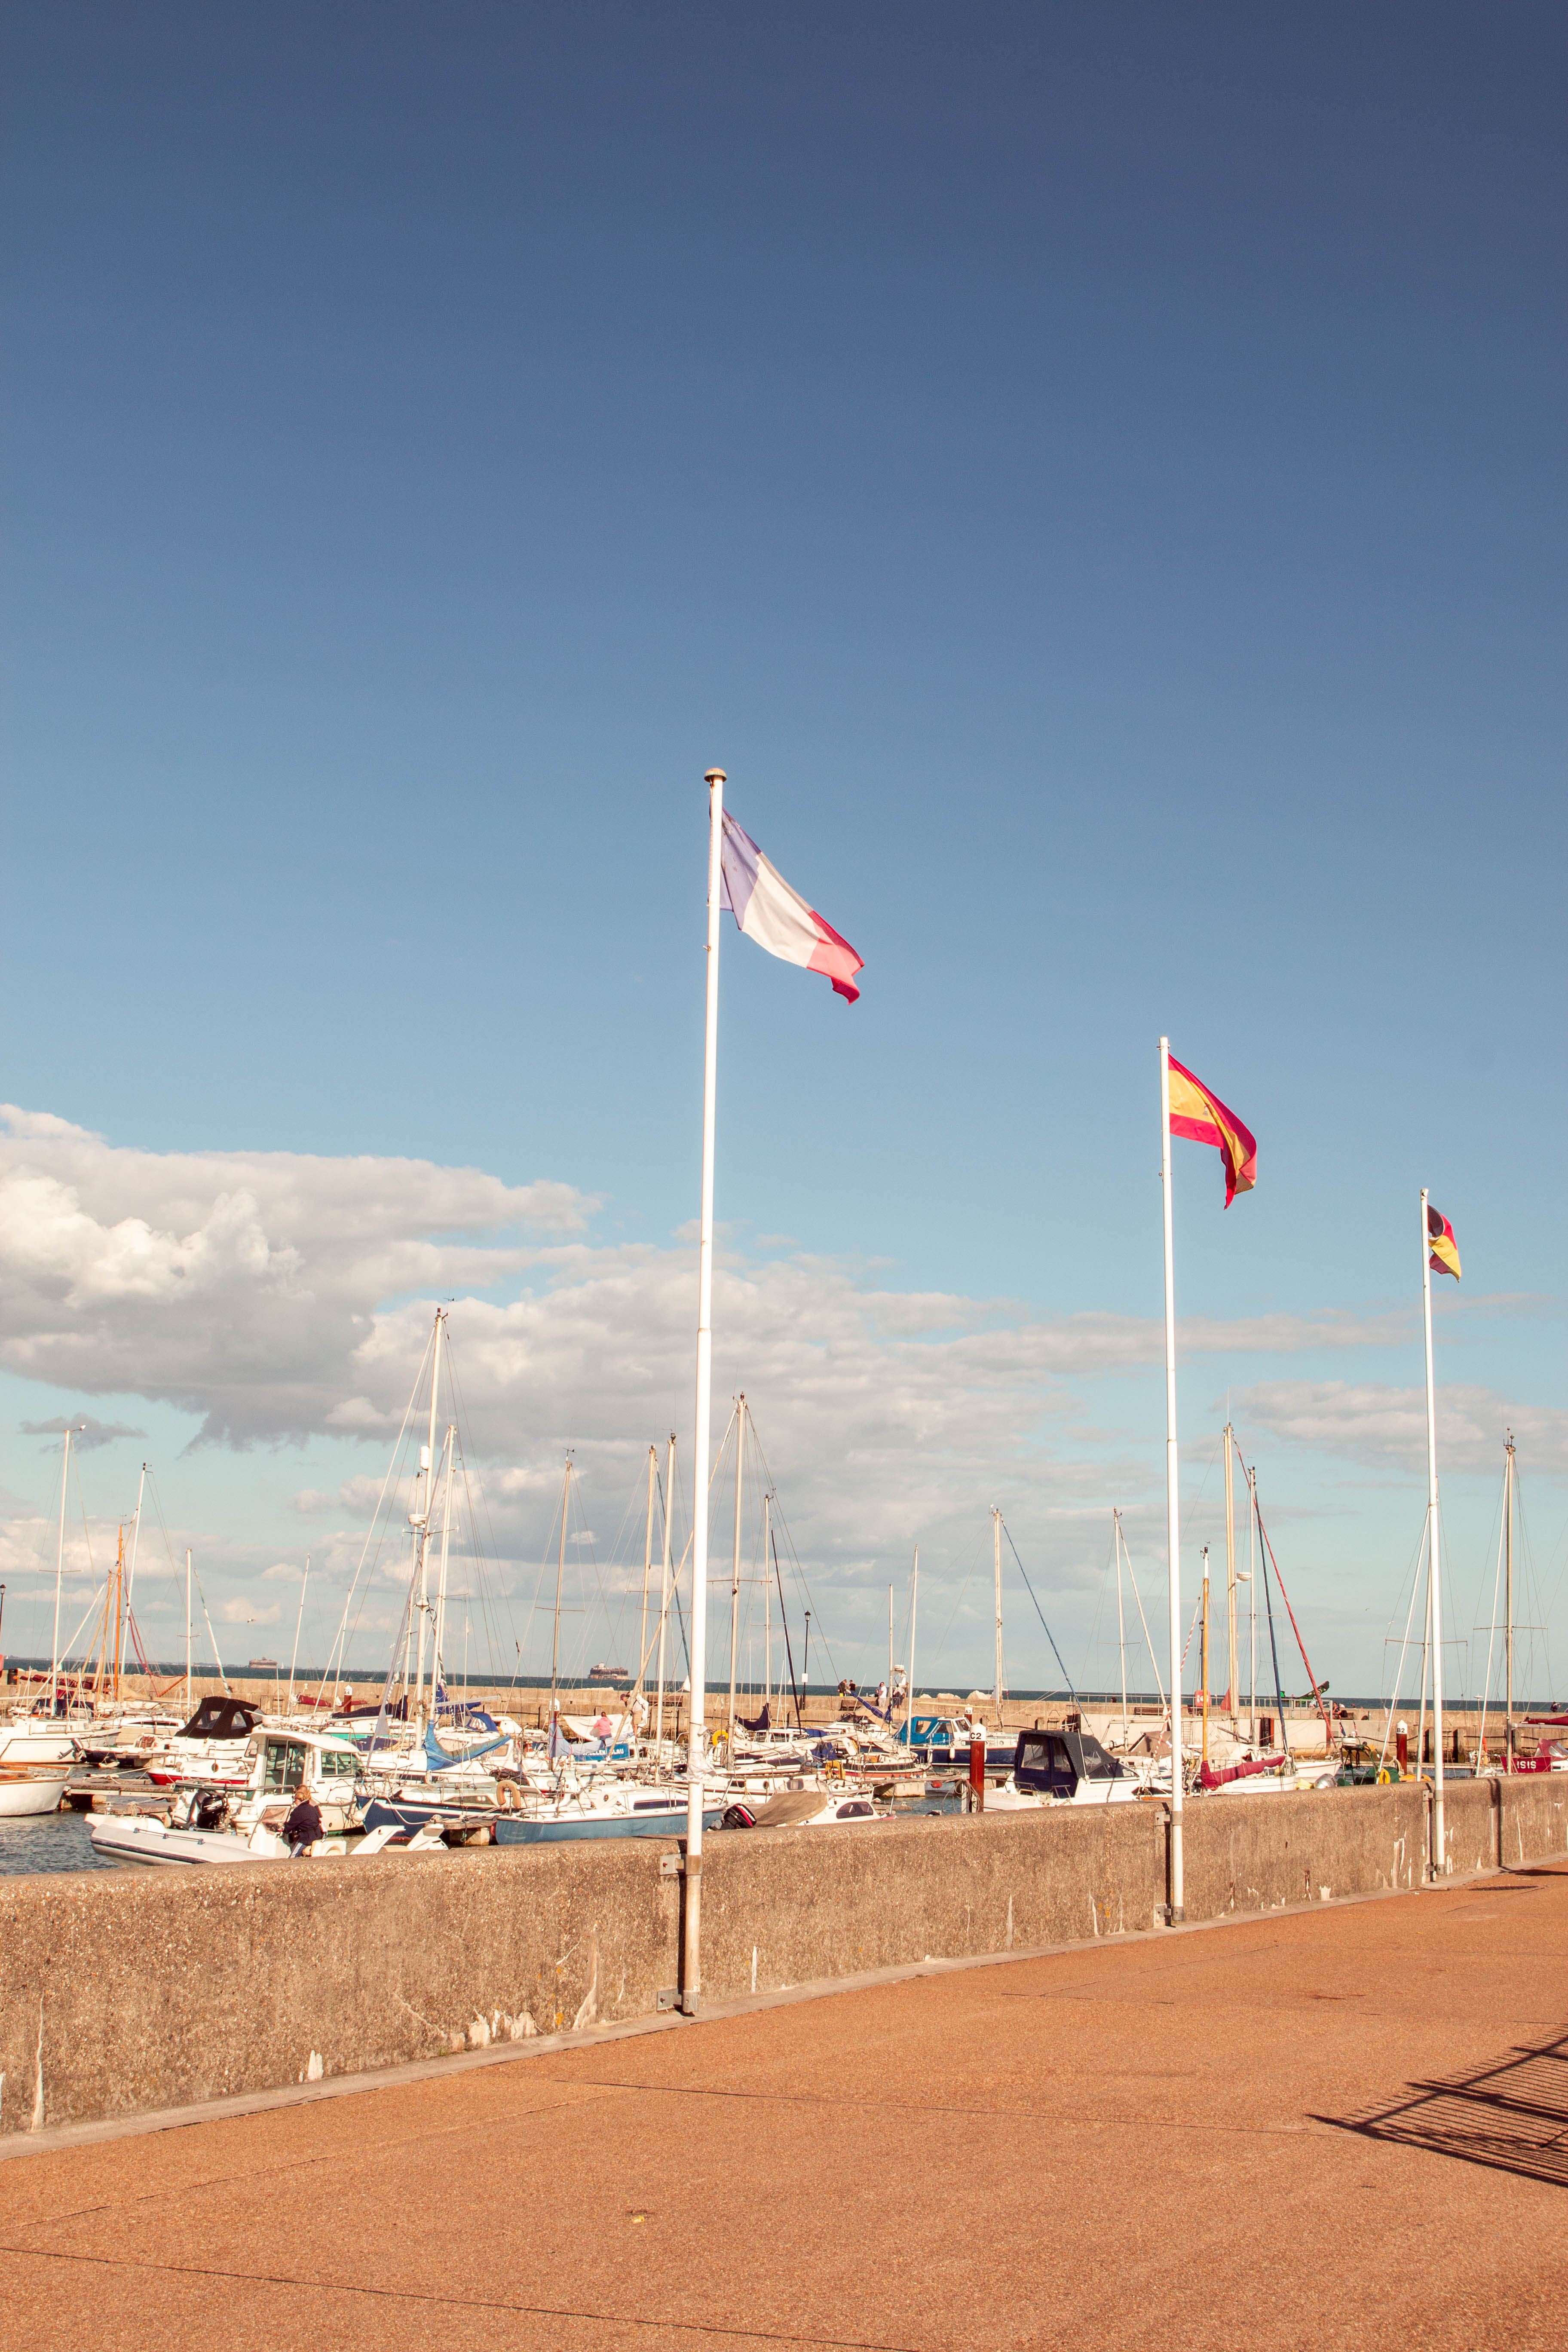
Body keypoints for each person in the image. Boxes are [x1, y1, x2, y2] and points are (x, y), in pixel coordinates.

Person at [283, 1782, 323, 1856]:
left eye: (295, 1800)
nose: (294, 1802)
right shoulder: (312, 1807)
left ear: (298, 1800)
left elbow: (288, 1828)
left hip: (307, 1838)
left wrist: (283, 1826)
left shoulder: (298, 1811)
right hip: (318, 1835)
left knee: (293, 1857)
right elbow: (318, 1819)